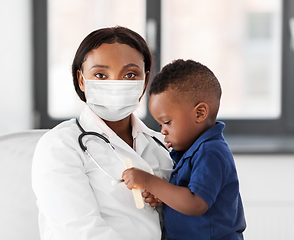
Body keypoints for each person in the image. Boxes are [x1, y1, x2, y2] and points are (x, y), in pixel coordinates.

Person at [31, 26, 174, 240]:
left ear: (144, 82)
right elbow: (81, 233)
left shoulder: (160, 146)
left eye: (129, 74)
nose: (115, 84)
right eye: (100, 74)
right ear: (81, 80)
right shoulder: (59, 145)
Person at [122, 59, 246, 240]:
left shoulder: (211, 152)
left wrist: (149, 182)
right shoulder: (191, 152)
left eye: (167, 122)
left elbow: (196, 203)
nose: (162, 130)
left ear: (199, 113)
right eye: (160, 124)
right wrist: (164, 197)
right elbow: (184, 196)